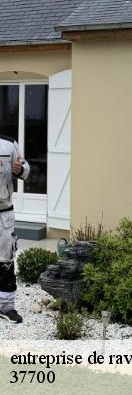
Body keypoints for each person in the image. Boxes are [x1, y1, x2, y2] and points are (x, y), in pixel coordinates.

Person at [0, 134, 30, 323]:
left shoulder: (9, 144)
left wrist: (20, 169)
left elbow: (26, 169)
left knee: (6, 260)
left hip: (4, 214)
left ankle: (7, 307)